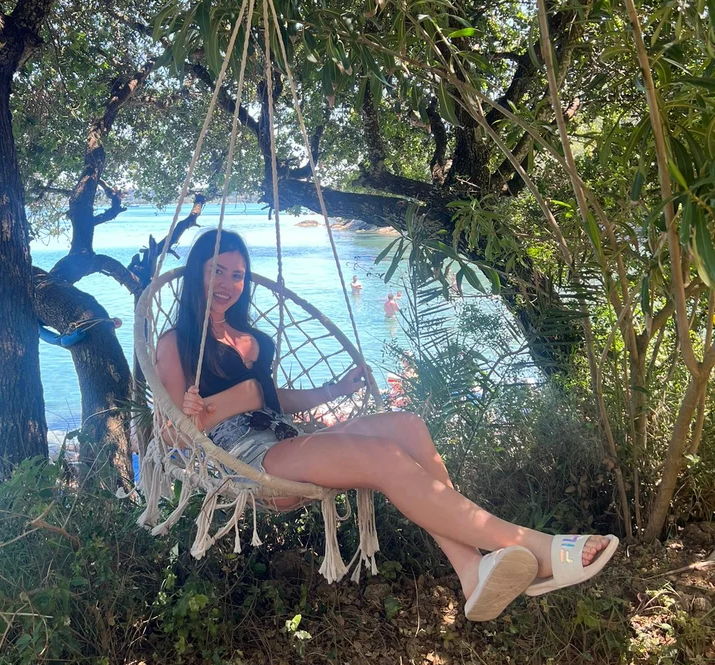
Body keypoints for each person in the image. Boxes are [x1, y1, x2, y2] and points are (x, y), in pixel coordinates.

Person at [155, 230, 618, 622]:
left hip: (286, 441)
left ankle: (469, 571)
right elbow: (173, 431)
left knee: (407, 426)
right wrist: (223, 403)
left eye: (237, 275)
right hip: (248, 461)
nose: (229, 284)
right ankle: (538, 548)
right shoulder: (177, 342)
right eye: (218, 271)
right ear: (198, 272)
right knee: (384, 457)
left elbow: (273, 399)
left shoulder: (253, 338)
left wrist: (332, 390)